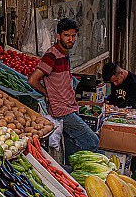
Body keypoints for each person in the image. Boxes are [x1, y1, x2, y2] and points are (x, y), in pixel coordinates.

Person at [28, 18, 98, 158]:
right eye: (67, 35)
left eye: (73, 36)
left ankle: (72, 176)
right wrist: (46, 93)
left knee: (71, 152)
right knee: (93, 142)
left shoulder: (64, 54)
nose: (70, 39)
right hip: (61, 111)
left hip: (70, 107)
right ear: (58, 36)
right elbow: (32, 80)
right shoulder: (51, 55)